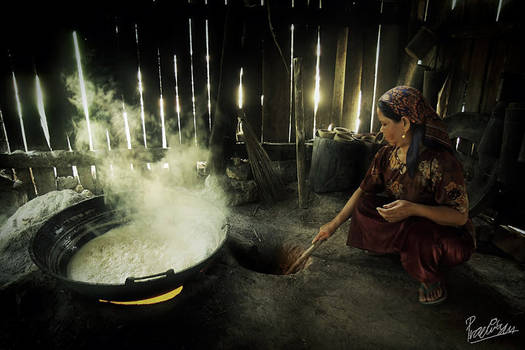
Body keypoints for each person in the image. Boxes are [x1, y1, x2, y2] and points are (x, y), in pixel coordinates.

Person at [312, 86, 475, 305]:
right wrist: (332, 225)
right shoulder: (386, 154)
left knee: (419, 234)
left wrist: (413, 209)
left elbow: (460, 217)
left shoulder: (440, 162)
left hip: (441, 232)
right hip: (405, 220)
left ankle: (430, 278)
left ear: (405, 123)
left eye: (385, 123)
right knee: (365, 206)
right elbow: (363, 190)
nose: (381, 131)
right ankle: (404, 249)